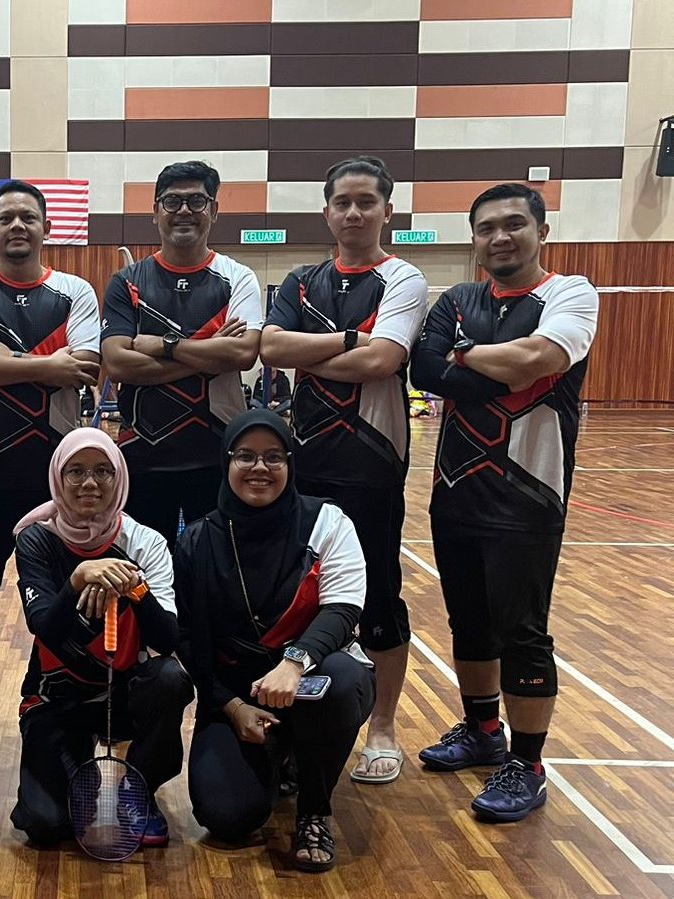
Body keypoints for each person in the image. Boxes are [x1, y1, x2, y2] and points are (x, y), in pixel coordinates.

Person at [411, 183, 599, 822]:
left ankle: (528, 763)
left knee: (523, 631)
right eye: (487, 227)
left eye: (514, 224)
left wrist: (465, 356)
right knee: (469, 623)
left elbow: (540, 357)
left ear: (541, 231)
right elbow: (426, 372)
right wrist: (500, 365)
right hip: (455, 490)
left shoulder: (570, 293)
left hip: (529, 494)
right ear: (474, 238)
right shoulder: (456, 300)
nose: (500, 237)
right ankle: (482, 731)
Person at [258, 157, 428, 785]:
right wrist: (355, 342)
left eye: (366, 202)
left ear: (387, 211)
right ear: (326, 211)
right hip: (305, 466)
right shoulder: (302, 280)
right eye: (343, 203)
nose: (354, 213)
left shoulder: (403, 277)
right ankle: (293, 728)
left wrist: (319, 351)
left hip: (371, 467)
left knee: (378, 597)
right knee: (296, 596)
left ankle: (381, 730)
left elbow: (384, 362)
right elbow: (270, 348)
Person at [176, 410, 374, 871]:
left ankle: (314, 810)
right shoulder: (197, 541)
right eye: (245, 456)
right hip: (238, 695)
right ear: (226, 462)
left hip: (311, 678)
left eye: (274, 457)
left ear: (290, 463)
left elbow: (344, 608)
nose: (259, 468)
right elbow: (189, 642)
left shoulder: (327, 521)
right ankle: (279, 755)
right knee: (227, 817)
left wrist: (295, 661)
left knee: (341, 682)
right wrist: (232, 707)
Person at [0, 180, 101, 736]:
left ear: (46, 229)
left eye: (27, 218)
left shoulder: (75, 291)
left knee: (64, 585)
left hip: (56, 475)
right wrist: (45, 365)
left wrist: (0, 357)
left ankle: (61, 681)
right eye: (6, 218)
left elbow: (83, 365)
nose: (17, 226)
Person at [10, 427, 192, 848]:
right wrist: (77, 579)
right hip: (60, 695)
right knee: (45, 826)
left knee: (170, 679)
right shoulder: (37, 539)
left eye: (102, 471)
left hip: (127, 695)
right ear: (58, 477)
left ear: (119, 477)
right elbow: (45, 628)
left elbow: (167, 639)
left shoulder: (144, 542)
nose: (89, 482)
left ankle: (139, 787)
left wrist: (136, 589)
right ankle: (77, 771)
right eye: (75, 471)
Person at [101, 160, 262, 545]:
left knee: (215, 572)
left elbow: (242, 355)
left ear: (214, 210)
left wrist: (164, 345)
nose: (184, 210)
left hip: (217, 457)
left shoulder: (238, 277)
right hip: (142, 458)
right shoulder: (127, 282)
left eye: (196, 201)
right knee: (145, 574)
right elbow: (117, 362)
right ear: (155, 212)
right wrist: (210, 351)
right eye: (172, 202)